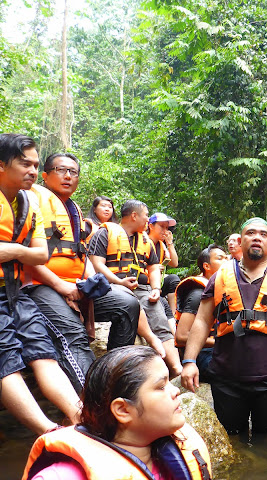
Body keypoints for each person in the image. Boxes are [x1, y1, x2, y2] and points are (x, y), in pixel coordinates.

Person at [181, 217, 267, 436]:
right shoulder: (220, 277)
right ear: (241, 241)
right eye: (251, 233)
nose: (257, 238)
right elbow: (203, 321)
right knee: (232, 439)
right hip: (227, 379)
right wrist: (189, 362)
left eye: (264, 235)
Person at [23, 153, 140, 393]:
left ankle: (115, 376)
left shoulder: (73, 210)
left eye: (73, 172)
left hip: (74, 285)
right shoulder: (29, 200)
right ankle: (95, 402)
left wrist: (88, 283)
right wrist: (62, 287)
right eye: (60, 170)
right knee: (73, 333)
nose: (68, 176)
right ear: (45, 176)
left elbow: (81, 253)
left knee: (127, 304)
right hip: (39, 286)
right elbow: (25, 257)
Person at [22, 345, 212, 480]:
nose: (176, 390)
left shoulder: (175, 455)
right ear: (123, 410)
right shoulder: (61, 476)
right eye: (161, 386)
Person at [0, 133, 81, 433]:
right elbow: (32, 255)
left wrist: (14, 251)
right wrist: (24, 252)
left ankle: (80, 416)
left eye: (35, 165)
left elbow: (40, 254)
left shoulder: (29, 203)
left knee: (43, 351)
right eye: (25, 164)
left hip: (15, 293)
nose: (33, 171)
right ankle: (47, 430)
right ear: (1, 165)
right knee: (6, 360)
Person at [88, 199, 182, 378]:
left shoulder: (145, 240)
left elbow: (153, 267)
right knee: (128, 303)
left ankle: (176, 368)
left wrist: (155, 288)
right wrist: (119, 281)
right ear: (134, 215)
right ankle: (149, 341)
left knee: (156, 309)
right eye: (146, 215)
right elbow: (96, 264)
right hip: (112, 288)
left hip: (141, 288)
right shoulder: (104, 233)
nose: (147, 219)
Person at [175, 244, 226, 371]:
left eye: (227, 258)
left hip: (216, 349)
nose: (226, 262)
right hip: (200, 354)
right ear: (206, 266)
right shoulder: (198, 294)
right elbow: (181, 337)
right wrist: (221, 342)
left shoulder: (222, 289)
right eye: (220, 258)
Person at [147, 212, 180, 315]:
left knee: (173, 279)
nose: (165, 231)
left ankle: (174, 315)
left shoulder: (161, 245)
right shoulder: (144, 242)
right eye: (161, 227)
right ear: (151, 226)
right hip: (145, 282)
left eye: (167, 228)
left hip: (158, 283)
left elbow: (174, 263)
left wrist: (169, 243)